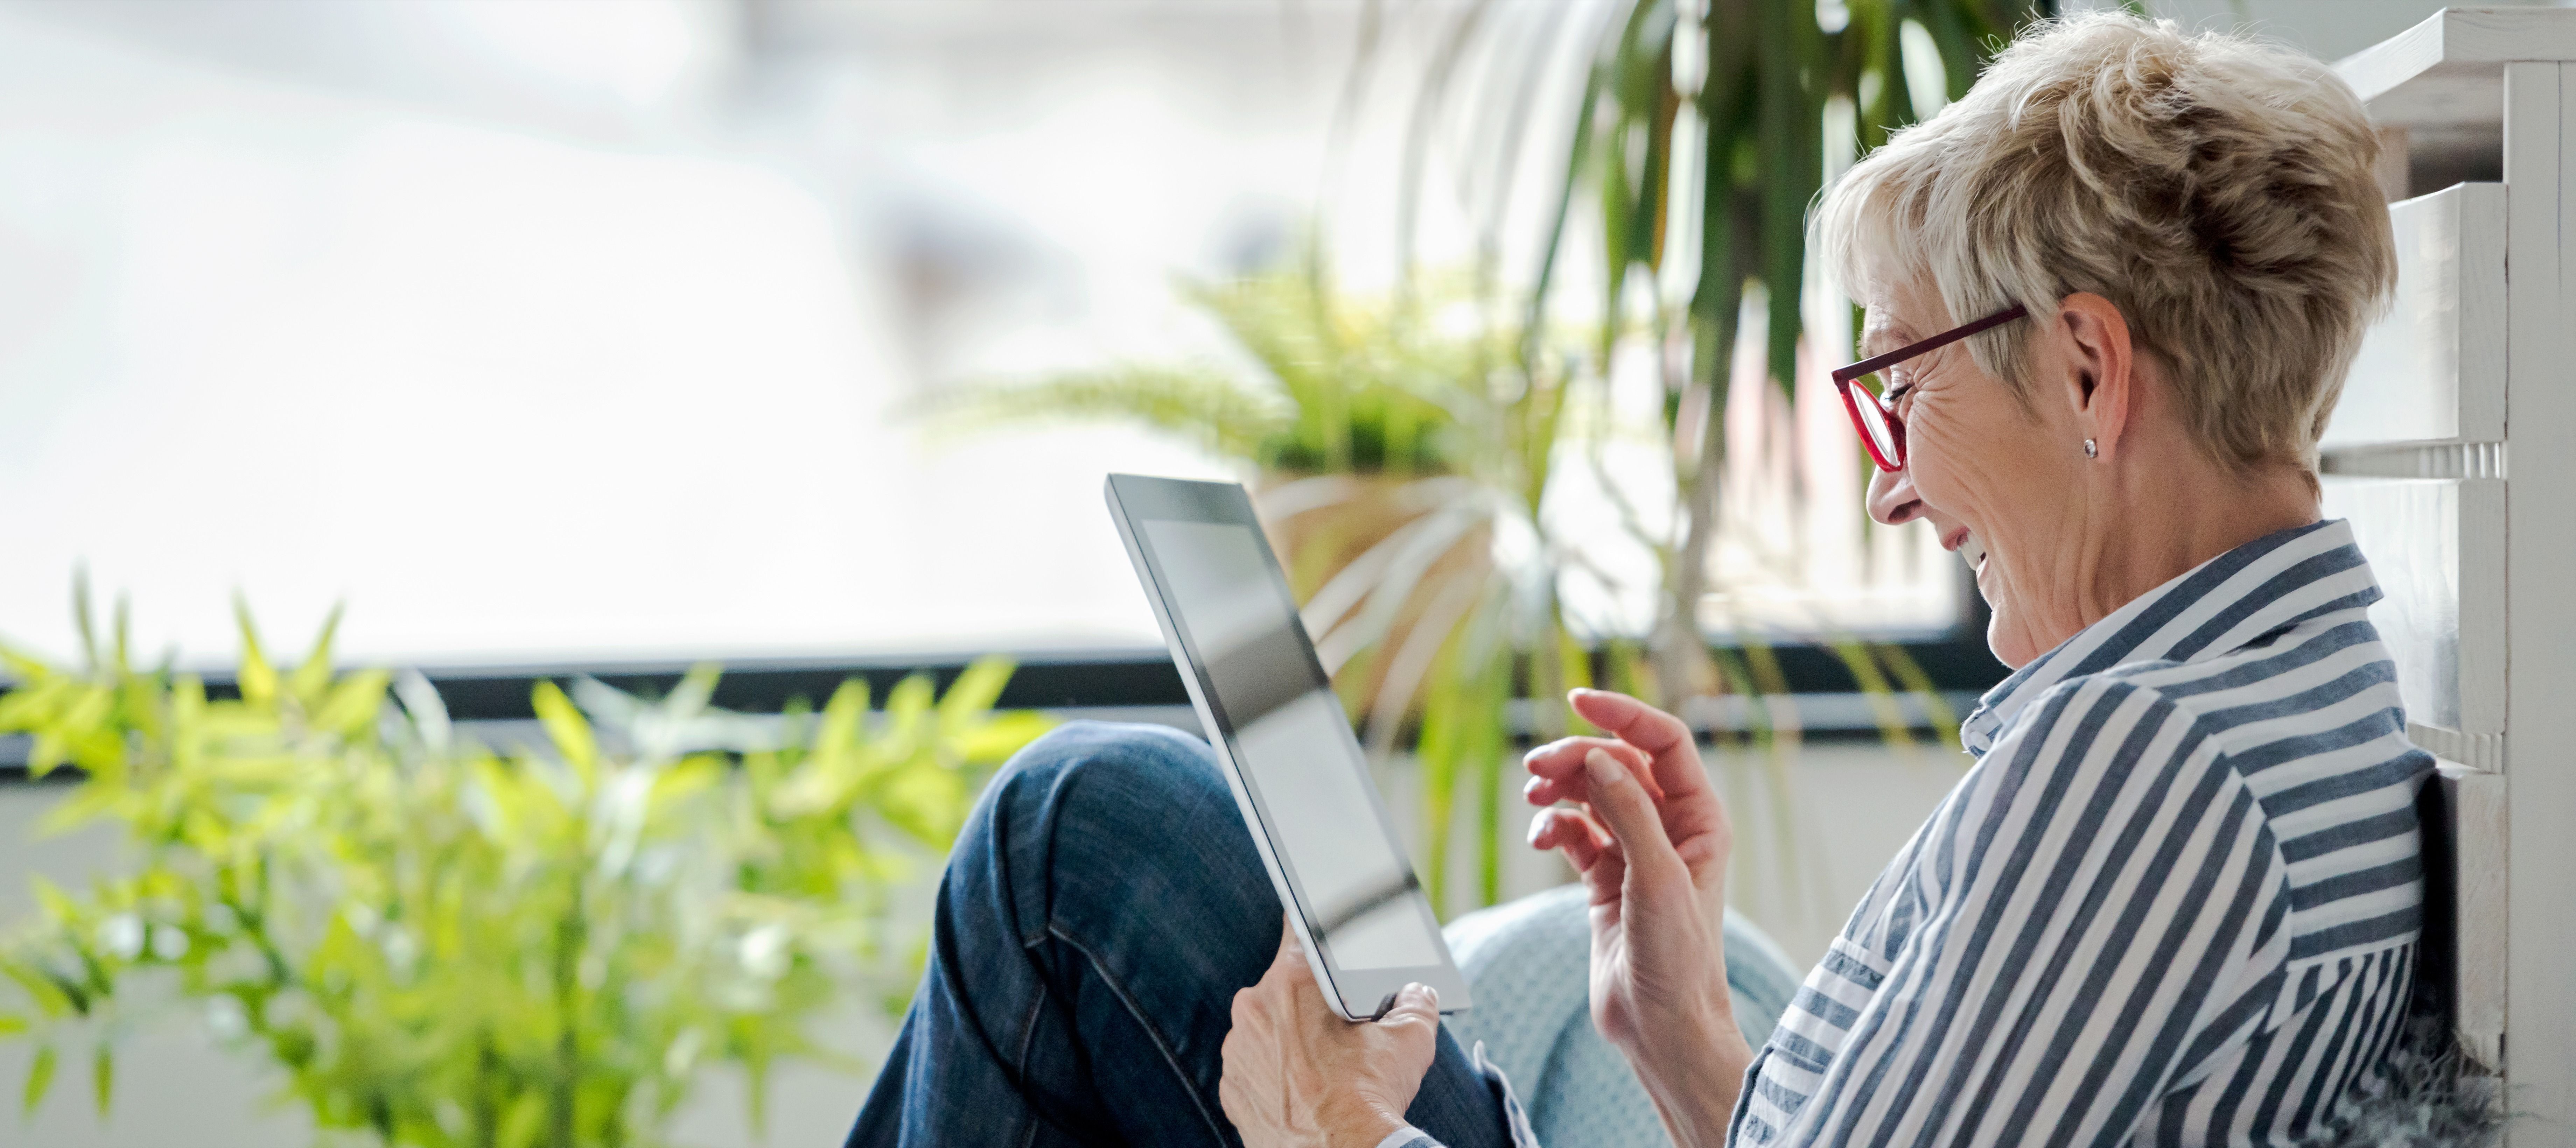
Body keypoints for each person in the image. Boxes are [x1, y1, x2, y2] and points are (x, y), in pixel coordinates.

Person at [849, 12, 2428, 1147]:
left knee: (1071, 831)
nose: (1886, 481)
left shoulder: (2149, 763)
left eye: (1901, 380)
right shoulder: (2285, 691)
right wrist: (1686, 1046)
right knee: (1089, 823)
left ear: (2087, 371)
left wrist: (1329, 1132)